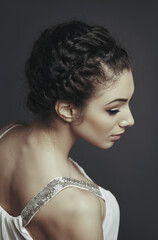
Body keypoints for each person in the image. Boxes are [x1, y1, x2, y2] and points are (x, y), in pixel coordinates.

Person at [0, 20, 134, 240]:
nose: (129, 120)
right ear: (67, 109)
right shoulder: (77, 209)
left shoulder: (7, 135)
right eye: (113, 109)